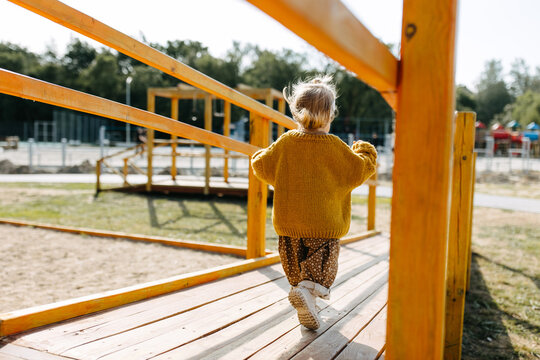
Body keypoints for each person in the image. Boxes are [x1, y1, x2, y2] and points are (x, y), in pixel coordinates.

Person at [251, 75, 377, 330]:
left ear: (296, 112)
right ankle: (308, 297)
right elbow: (360, 170)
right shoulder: (335, 147)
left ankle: (306, 300)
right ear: (330, 114)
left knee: (298, 274)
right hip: (324, 226)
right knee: (317, 273)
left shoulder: (286, 143)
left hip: (289, 226)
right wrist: (365, 151)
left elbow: (261, 166)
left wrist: (258, 154)